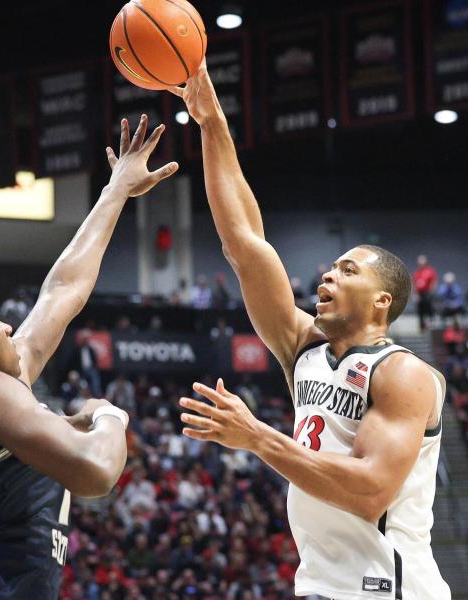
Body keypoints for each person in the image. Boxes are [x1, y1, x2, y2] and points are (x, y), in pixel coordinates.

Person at [170, 64, 450, 599]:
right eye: (330, 267)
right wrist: (210, 122)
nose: (327, 273)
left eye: (348, 270)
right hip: (321, 584)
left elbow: (370, 491)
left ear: (382, 301)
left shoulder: (405, 374)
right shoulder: (304, 348)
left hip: (389, 589)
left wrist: (256, 437)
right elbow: (244, 241)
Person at [0, 115, 177, 599]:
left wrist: (116, 191)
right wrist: (108, 416)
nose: (8, 327)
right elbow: (97, 471)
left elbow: (63, 289)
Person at [412, 255, 437, 330]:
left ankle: (430, 322)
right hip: (419, 294)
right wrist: (415, 294)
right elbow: (414, 284)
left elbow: (433, 282)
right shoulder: (417, 272)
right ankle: (422, 326)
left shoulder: (430, 271)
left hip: (427, 293)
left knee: (428, 307)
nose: (421, 264)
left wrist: (430, 292)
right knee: (420, 310)